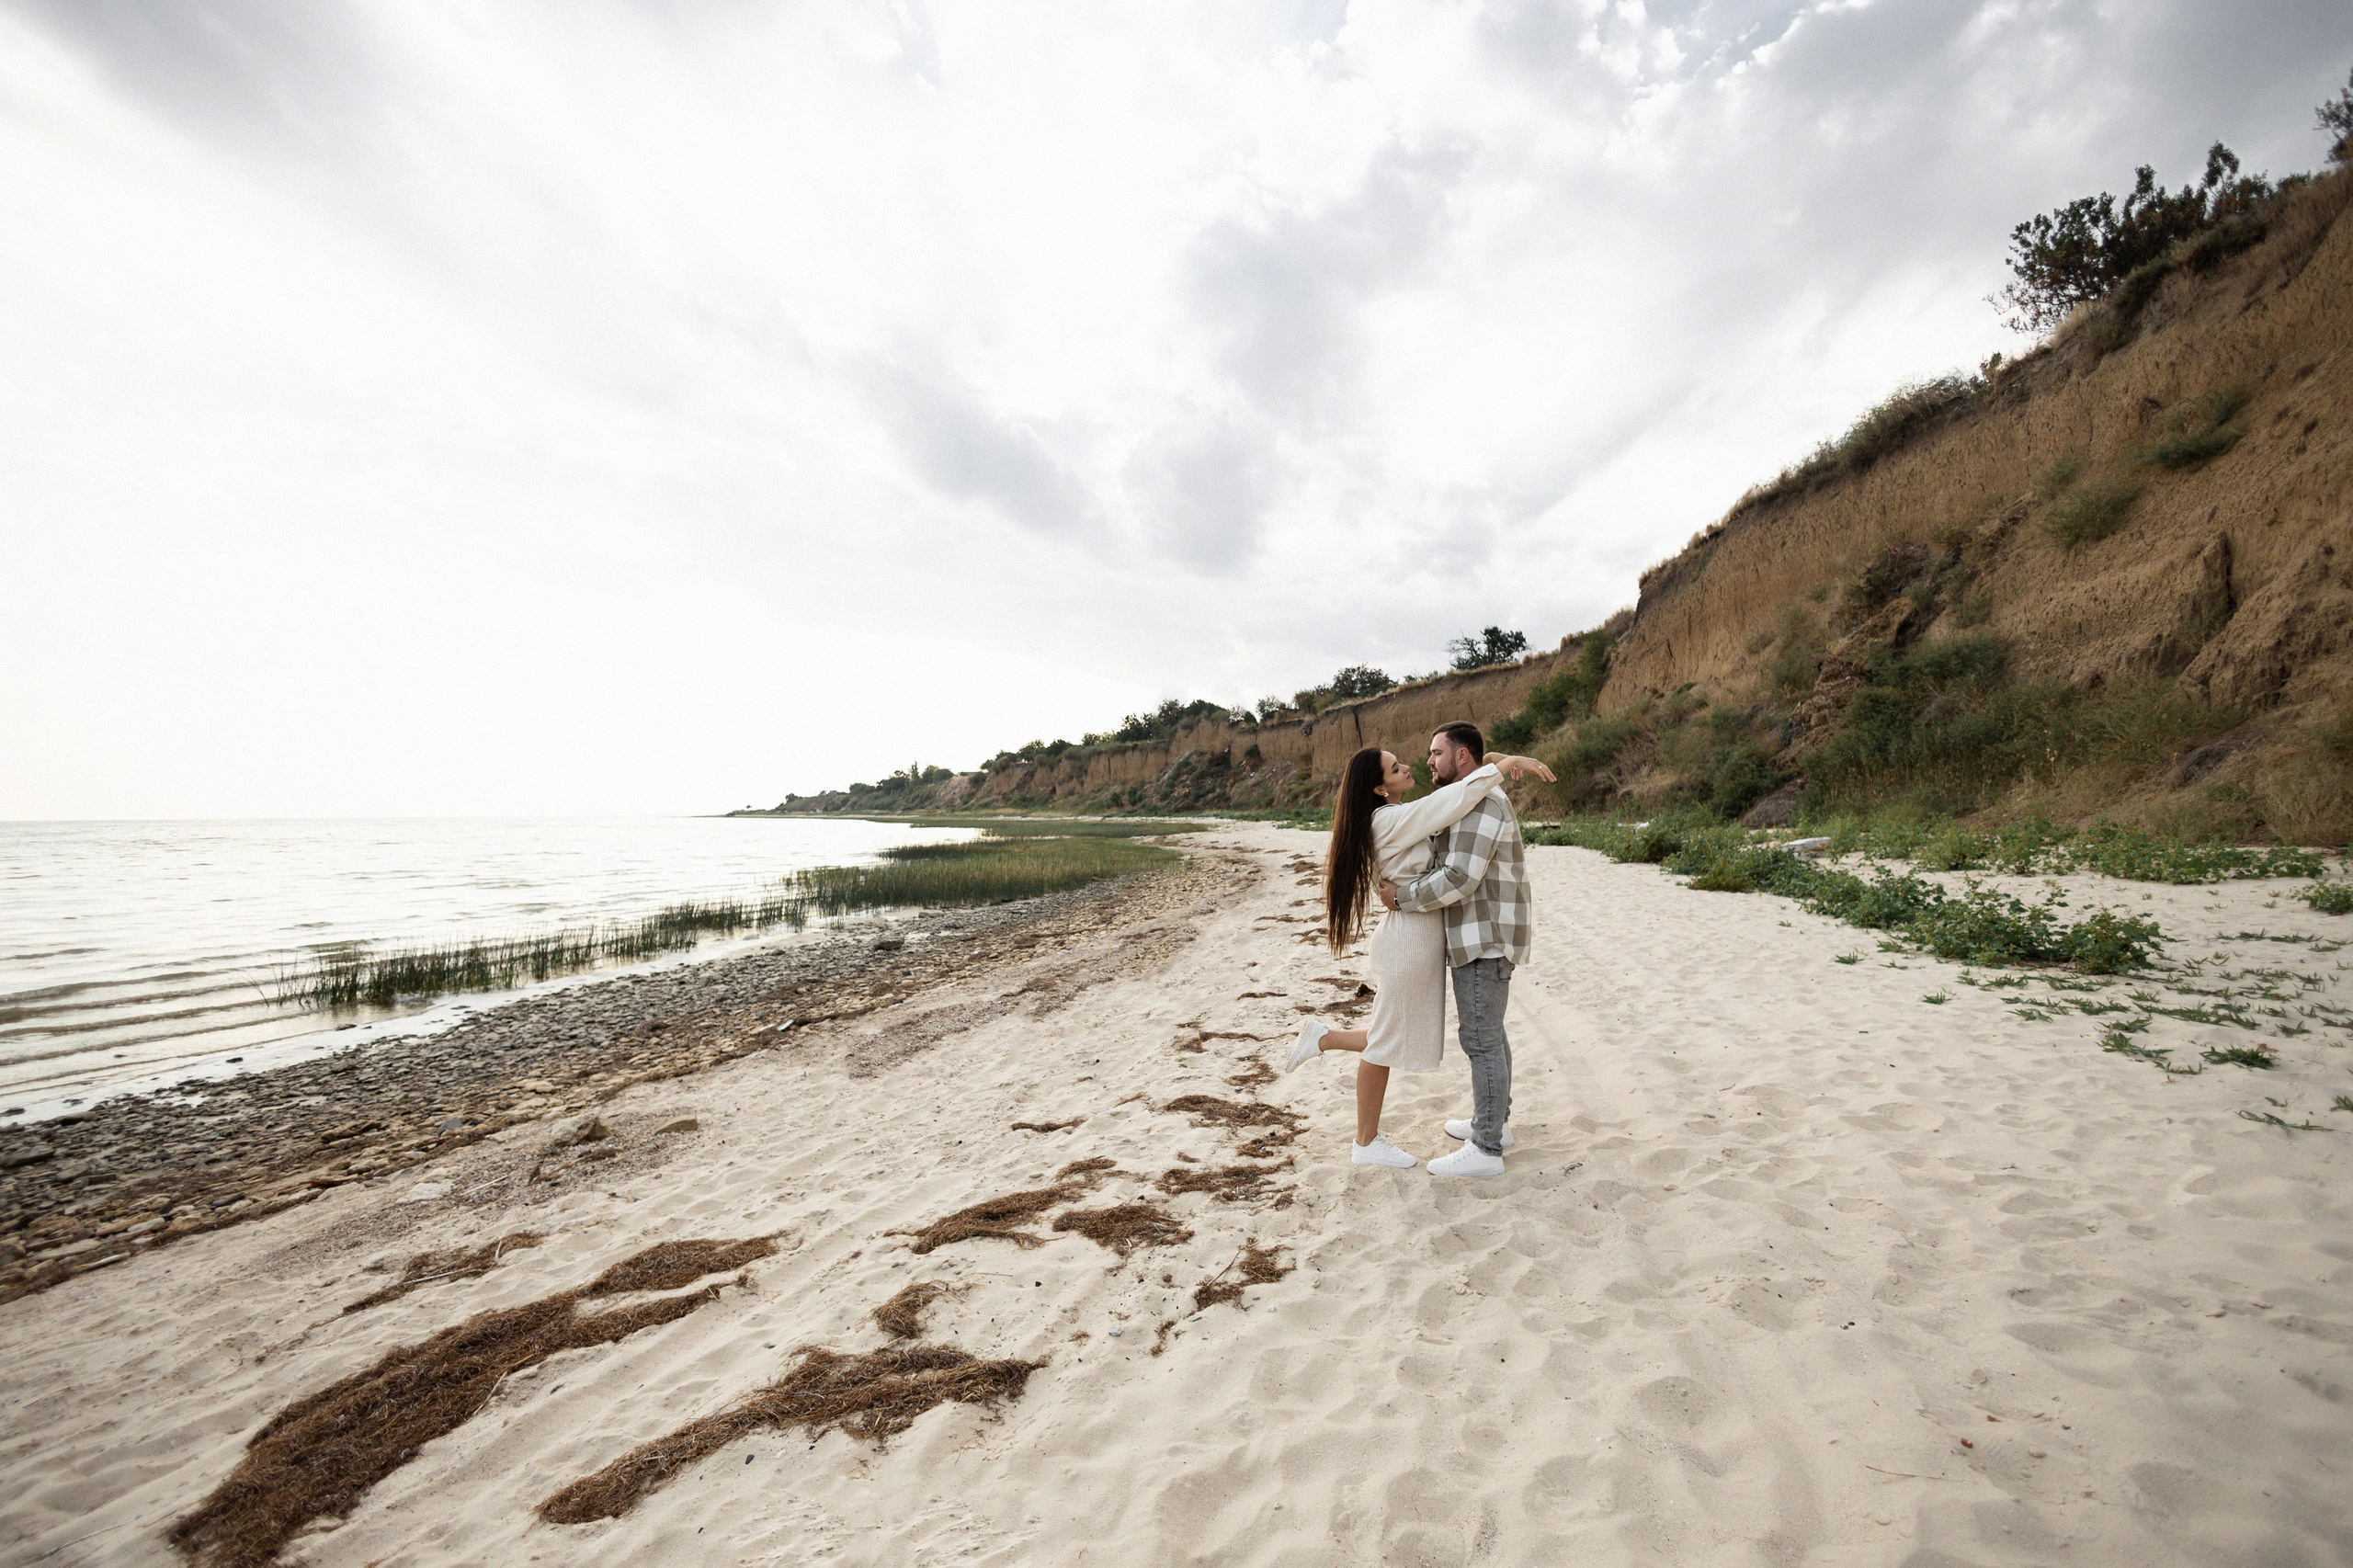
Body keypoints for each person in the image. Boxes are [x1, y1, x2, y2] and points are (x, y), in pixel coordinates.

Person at [1285, 740, 1553, 1170]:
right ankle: (1365, 1140)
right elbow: (1450, 799)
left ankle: (1325, 1040)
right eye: (1395, 768)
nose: (1408, 766)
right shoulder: (1389, 818)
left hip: (1415, 935)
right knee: (1386, 1044)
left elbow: (1451, 796)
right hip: (1408, 938)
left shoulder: (1394, 816)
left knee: (1390, 1036)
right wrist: (1506, 764)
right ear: (1378, 788)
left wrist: (1494, 763)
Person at [1376, 722, 1532, 1177]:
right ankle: (1495, 1124)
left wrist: (1400, 898)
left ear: (1462, 758)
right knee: (1491, 1035)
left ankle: (1486, 1149)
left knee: (1480, 1039)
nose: (1428, 761)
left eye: (1436, 753)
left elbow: (1460, 876)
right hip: (1481, 934)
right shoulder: (1465, 800)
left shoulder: (1480, 801)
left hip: (1484, 935)